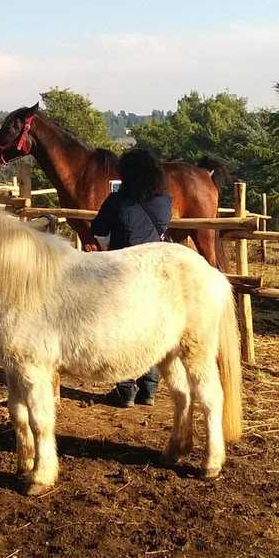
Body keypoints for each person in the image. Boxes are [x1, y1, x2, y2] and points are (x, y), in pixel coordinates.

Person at [90, 148, 173, 407]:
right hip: (155, 275)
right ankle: (149, 389)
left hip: (121, 275)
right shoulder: (165, 202)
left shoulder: (116, 202)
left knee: (121, 332)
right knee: (151, 330)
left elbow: (98, 229)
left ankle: (125, 390)